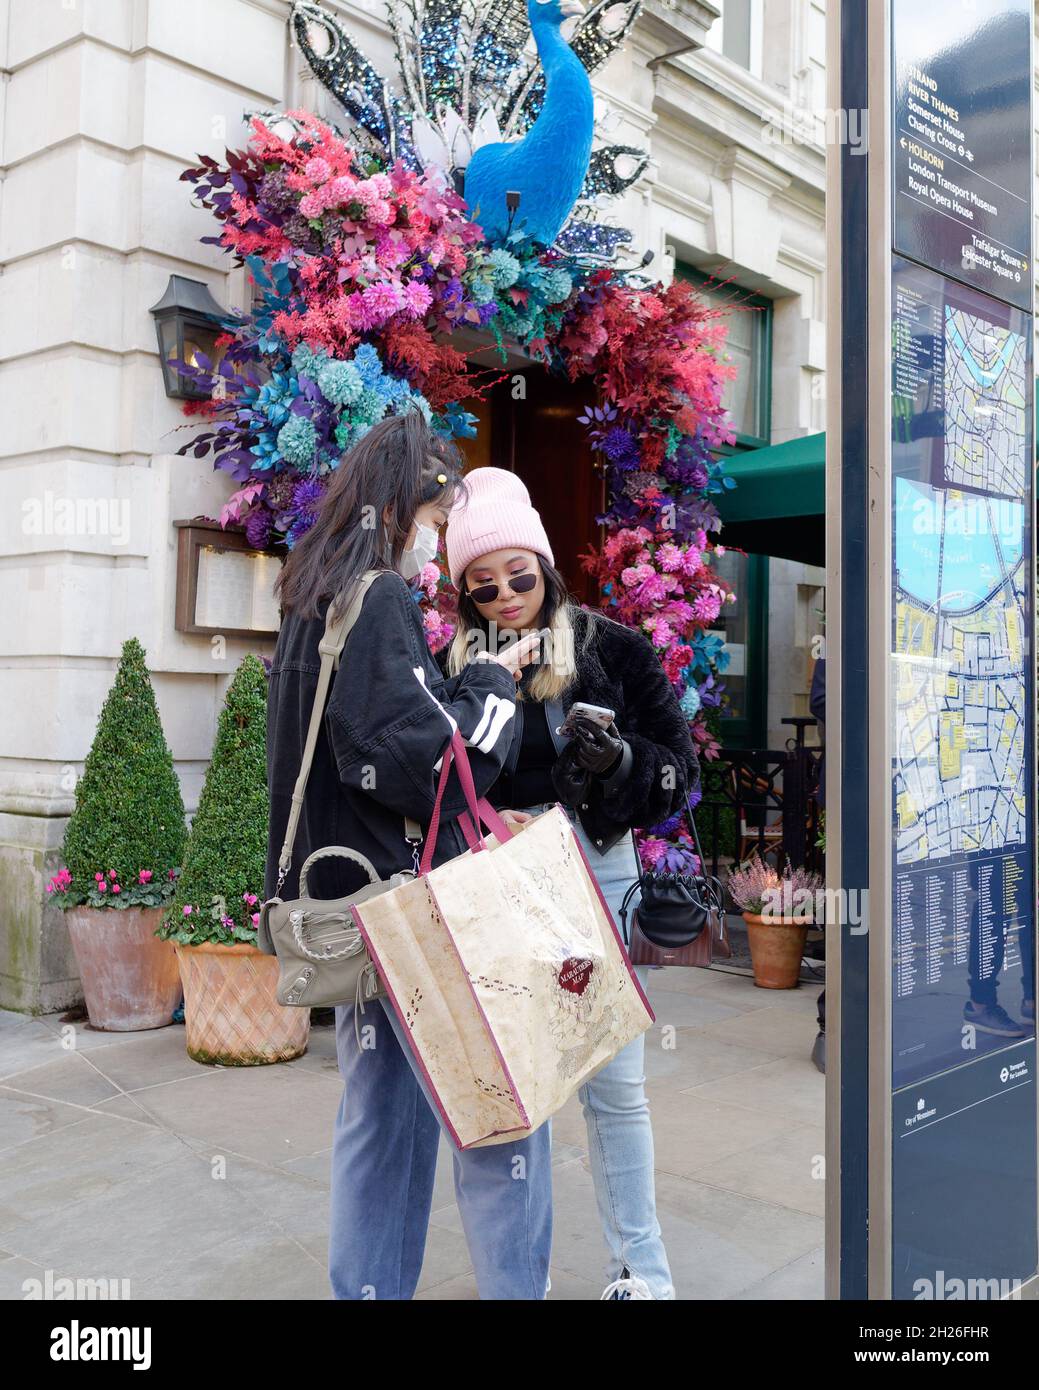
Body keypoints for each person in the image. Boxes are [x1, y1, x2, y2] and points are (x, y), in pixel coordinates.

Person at [264, 415, 549, 1300]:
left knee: (380, 1120)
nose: (438, 539)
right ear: (402, 508)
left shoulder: (314, 600)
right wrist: (493, 681)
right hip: (412, 913)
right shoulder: (379, 596)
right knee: (503, 1114)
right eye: (436, 516)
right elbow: (435, 763)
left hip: (355, 911)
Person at [444, 467, 700, 1300]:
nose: (504, 595)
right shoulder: (453, 663)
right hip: (497, 882)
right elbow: (435, 781)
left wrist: (622, 762)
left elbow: (681, 775)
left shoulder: (610, 648)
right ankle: (522, 1278)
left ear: (545, 570)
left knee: (615, 1089)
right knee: (521, 1087)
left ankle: (642, 1273)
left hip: (593, 867)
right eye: (482, 585)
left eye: (518, 576)